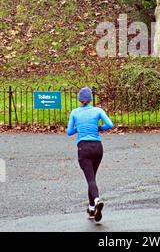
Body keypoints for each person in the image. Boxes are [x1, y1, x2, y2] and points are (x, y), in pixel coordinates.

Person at [67, 87, 113, 222]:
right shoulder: (98, 111)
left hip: (84, 148)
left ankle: (97, 200)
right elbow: (110, 124)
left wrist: (79, 128)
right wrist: (99, 128)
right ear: (91, 99)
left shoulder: (75, 112)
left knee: (90, 179)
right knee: (91, 178)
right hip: (98, 148)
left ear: (80, 100)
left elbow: (69, 132)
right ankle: (92, 208)